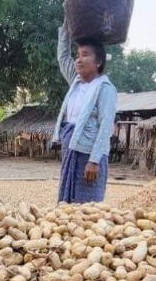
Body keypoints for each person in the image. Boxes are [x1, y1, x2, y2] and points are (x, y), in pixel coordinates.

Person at [50, 24, 117, 204]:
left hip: (89, 151)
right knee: (67, 202)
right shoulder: (76, 81)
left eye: (85, 55)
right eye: (78, 55)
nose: (78, 60)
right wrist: (65, 28)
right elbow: (63, 56)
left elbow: (105, 126)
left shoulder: (105, 88)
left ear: (99, 62)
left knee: (88, 205)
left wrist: (94, 161)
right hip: (71, 147)